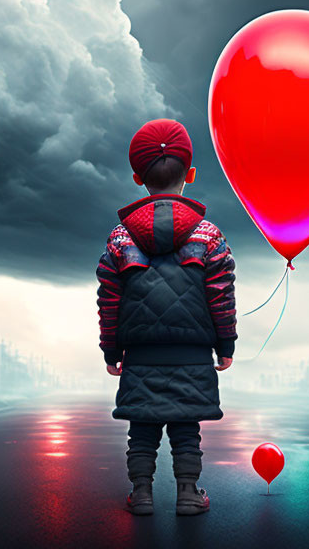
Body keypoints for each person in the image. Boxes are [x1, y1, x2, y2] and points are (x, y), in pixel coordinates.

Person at [95, 118, 237, 516]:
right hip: (192, 355)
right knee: (185, 428)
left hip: (140, 356)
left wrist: (111, 352)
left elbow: (109, 300)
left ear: (137, 177)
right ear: (190, 174)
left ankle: (141, 494)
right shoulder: (209, 236)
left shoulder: (119, 239)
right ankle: (189, 493)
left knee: (141, 428)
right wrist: (225, 345)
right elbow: (221, 294)